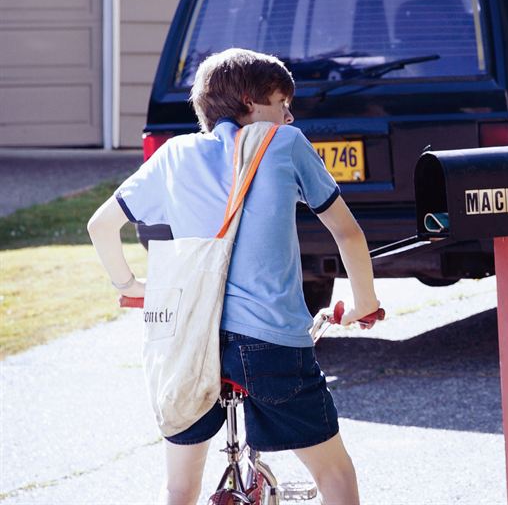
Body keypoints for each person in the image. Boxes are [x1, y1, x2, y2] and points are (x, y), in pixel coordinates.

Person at [88, 48, 380, 505]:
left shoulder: (174, 154)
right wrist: (363, 302)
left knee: (180, 488)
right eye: (281, 103)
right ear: (248, 101)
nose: (288, 115)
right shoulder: (285, 143)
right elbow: (346, 231)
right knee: (334, 472)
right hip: (269, 344)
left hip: (188, 343)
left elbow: (101, 226)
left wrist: (132, 288)